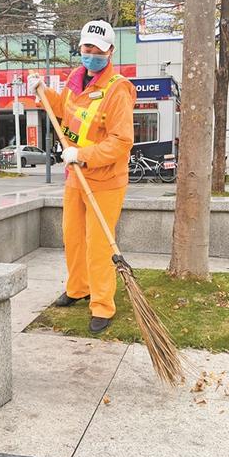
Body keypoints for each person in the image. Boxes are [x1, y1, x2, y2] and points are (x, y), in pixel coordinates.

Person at [28, 19, 136, 334]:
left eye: (99, 50)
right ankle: (78, 288)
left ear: (110, 51)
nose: (92, 54)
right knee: (72, 237)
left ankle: (102, 304)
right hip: (76, 177)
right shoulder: (76, 79)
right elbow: (63, 109)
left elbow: (121, 141)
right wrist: (42, 91)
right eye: (87, 47)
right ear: (80, 47)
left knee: (98, 244)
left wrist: (82, 155)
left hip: (105, 180)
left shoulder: (117, 89)